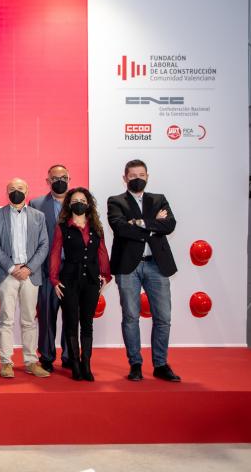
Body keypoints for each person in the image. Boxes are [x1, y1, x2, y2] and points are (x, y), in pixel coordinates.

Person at [107, 159, 180, 382]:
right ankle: (135, 364)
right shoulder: (116, 201)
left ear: (147, 176)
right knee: (130, 316)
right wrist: (152, 225)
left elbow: (169, 225)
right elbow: (120, 228)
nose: (137, 179)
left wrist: (138, 223)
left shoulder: (159, 199)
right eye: (132, 176)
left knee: (163, 317)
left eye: (141, 175)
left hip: (156, 264)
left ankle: (161, 364)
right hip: (127, 266)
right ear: (125, 178)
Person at [0, 178, 50, 379]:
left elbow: (44, 245)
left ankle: (31, 361)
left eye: (20, 188)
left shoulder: (38, 216)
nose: (16, 191)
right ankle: (6, 362)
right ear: (7, 192)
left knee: (29, 320)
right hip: (7, 273)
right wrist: (11, 267)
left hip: (30, 274)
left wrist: (29, 268)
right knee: (6, 319)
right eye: (12, 189)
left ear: (27, 191)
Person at [49, 188, 111, 381]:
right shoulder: (62, 227)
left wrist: (105, 275)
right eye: (75, 200)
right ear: (69, 204)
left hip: (91, 280)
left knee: (87, 323)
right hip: (69, 280)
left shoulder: (96, 227)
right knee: (70, 322)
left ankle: (86, 365)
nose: (79, 203)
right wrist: (54, 279)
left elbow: (102, 252)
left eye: (83, 200)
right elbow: (55, 253)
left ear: (88, 204)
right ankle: (75, 364)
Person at [29, 164, 72, 372]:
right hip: (46, 270)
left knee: (71, 315)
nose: (59, 181)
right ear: (48, 181)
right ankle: (46, 356)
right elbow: (32, 239)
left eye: (63, 177)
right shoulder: (36, 204)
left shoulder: (79, 201)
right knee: (46, 315)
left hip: (72, 270)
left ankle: (70, 355)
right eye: (55, 178)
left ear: (69, 179)